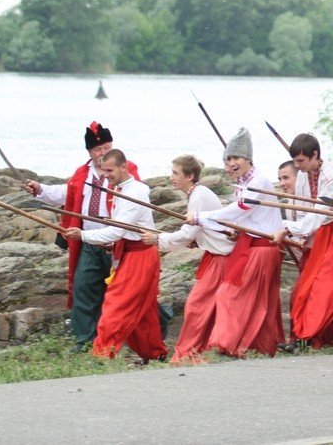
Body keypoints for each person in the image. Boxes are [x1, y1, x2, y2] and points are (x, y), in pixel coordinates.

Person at [24, 122, 140, 351]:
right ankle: (84, 340)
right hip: (88, 240)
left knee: (128, 291)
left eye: (106, 147)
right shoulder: (82, 173)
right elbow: (67, 194)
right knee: (83, 288)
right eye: (98, 150)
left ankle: (151, 327)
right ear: (89, 152)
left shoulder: (126, 170)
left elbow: (134, 202)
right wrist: (41, 189)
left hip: (118, 242)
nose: (103, 153)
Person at [188, 128, 286, 357]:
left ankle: (227, 343)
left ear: (248, 159)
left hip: (262, 248)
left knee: (231, 295)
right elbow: (240, 217)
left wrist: (203, 217)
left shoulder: (257, 181)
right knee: (258, 299)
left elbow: (239, 209)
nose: (230, 164)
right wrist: (219, 228)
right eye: (227, 159)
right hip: (251, 243)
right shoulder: (243, 183)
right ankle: (255, 346)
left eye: (235, 158)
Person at [63, 150, 167, 362]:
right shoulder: (118, 189)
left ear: (123, 167)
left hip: (141, 256)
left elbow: (117, 230)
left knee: (116, 303)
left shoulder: (136, 192)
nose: (106, 175)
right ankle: (155, 354)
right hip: (127, 252)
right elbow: (120, 231)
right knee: (143, 312)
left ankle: (102, 353)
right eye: (103, 171)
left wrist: (82, 235)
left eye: (109, 171)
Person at [271, 134, 333, 348]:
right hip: (323, 231)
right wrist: (302, 235)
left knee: (326, 287)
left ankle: (307, 337)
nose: (297, 166)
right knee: (305, 285)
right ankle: (323, 336)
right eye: (295, 161)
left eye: (301, 161)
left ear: (315, 155)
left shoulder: (331, 176)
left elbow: (317, 214)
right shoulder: (304, 173)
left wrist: (286, 229)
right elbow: (305, 209)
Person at [141, 155, 229, 364]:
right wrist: (196, 240)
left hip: (222, 259)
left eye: (175, 173)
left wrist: (158, 239)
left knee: (196, 305)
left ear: (189, 176)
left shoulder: (198, 195)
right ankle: (195, 350)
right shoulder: (197, 194)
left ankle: (189, 352)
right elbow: (201, 230)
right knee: (204, 306)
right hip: (216, 256)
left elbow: (187, 232)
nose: (171, 177)